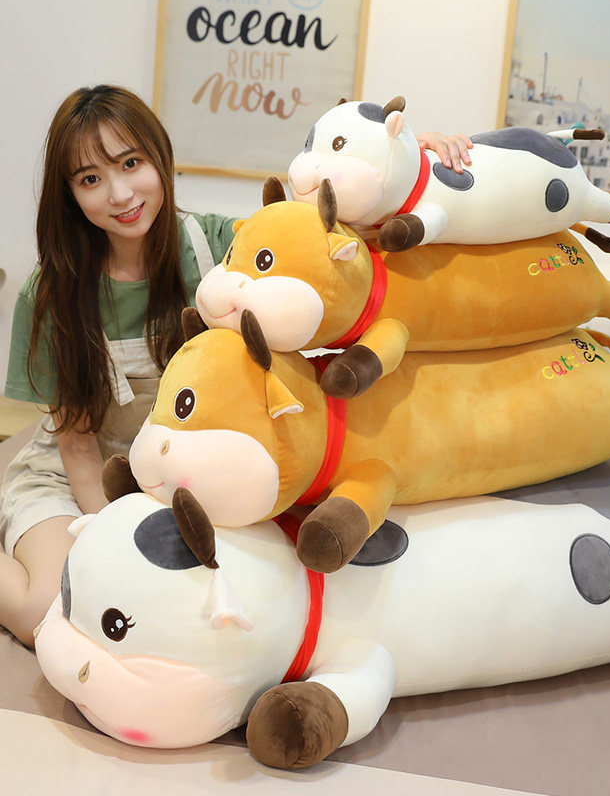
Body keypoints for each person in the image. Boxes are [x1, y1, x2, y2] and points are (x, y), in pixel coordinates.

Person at [0, 84, 472, 647]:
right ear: (70, 194)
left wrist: (409, 156)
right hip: (78, 477)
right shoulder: (52, 293)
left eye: (130, 163)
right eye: (90, 179)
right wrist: (113, 538)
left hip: (197, 470)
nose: (120, 193)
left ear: (159, 157)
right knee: (54, 610)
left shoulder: (222, 245)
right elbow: (77, 448)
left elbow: (339, 230)